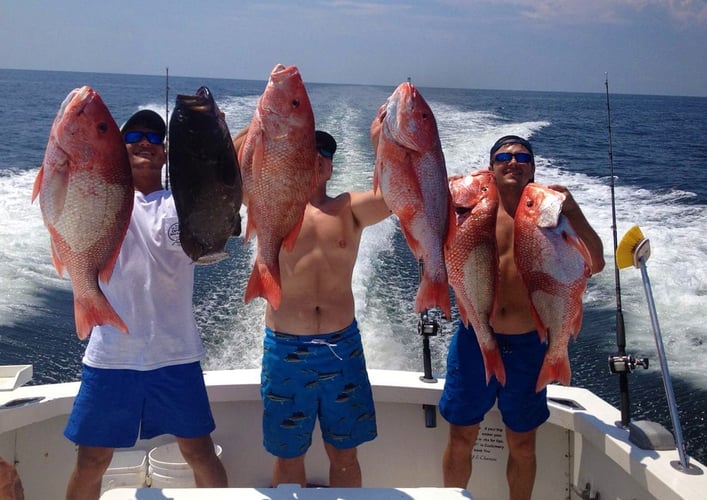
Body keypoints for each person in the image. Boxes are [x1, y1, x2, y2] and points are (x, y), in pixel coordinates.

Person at [63, 109, 228, 499]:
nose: (145, 143)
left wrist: (218, 133)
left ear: (166, 153)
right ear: (118, 148)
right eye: (134, 136)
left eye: (155, 139)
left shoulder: (184, 206)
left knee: (200, 452)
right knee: (91, 460)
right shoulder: (99, 201)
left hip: (176, 355)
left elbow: (225, 185)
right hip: (111, 357)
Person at [439, 135, 605, 500]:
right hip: (474, 340)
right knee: (461, 435)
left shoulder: (553, 214)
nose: (512, 162)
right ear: (491, 167)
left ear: (532, 168)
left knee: (524, 443)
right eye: (503, 156)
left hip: (530, 345)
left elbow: (596, 261)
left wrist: (573, 210)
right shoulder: (470, 210)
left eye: (521, 157)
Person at [252, 130, 390, 487]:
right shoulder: (270, 205)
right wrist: (261, 130)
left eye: (323, 154)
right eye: (305, 153)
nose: (314, 159)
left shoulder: (350, 208)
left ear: (330, 167)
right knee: (288, 453)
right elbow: (234, 174)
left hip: (341, 347)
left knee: (344, 455)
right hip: (286, 347)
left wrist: (380, 144)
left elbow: (394, 195)